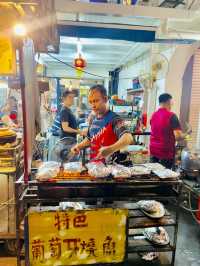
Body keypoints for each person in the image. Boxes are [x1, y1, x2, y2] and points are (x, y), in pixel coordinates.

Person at [71, 85, 133, 161]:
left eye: (96, 101)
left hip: (110, 168)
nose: (93, 105)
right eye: (90, 102)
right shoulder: (93, 118)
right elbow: (90, 139)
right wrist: (78, 146)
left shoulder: (115, 119)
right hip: (94, 166)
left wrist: (110, 149)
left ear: (105, 99)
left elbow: (128, 138)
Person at [150, 93, 187, 169]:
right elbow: (178, 137)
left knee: (154, 173)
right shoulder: (172, 116)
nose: (171, 105)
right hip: (166, 153)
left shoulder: (153, 115)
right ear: (168, 102)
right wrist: (187, 135)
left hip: (153, 151)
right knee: (165, 177)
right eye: (171, 103)